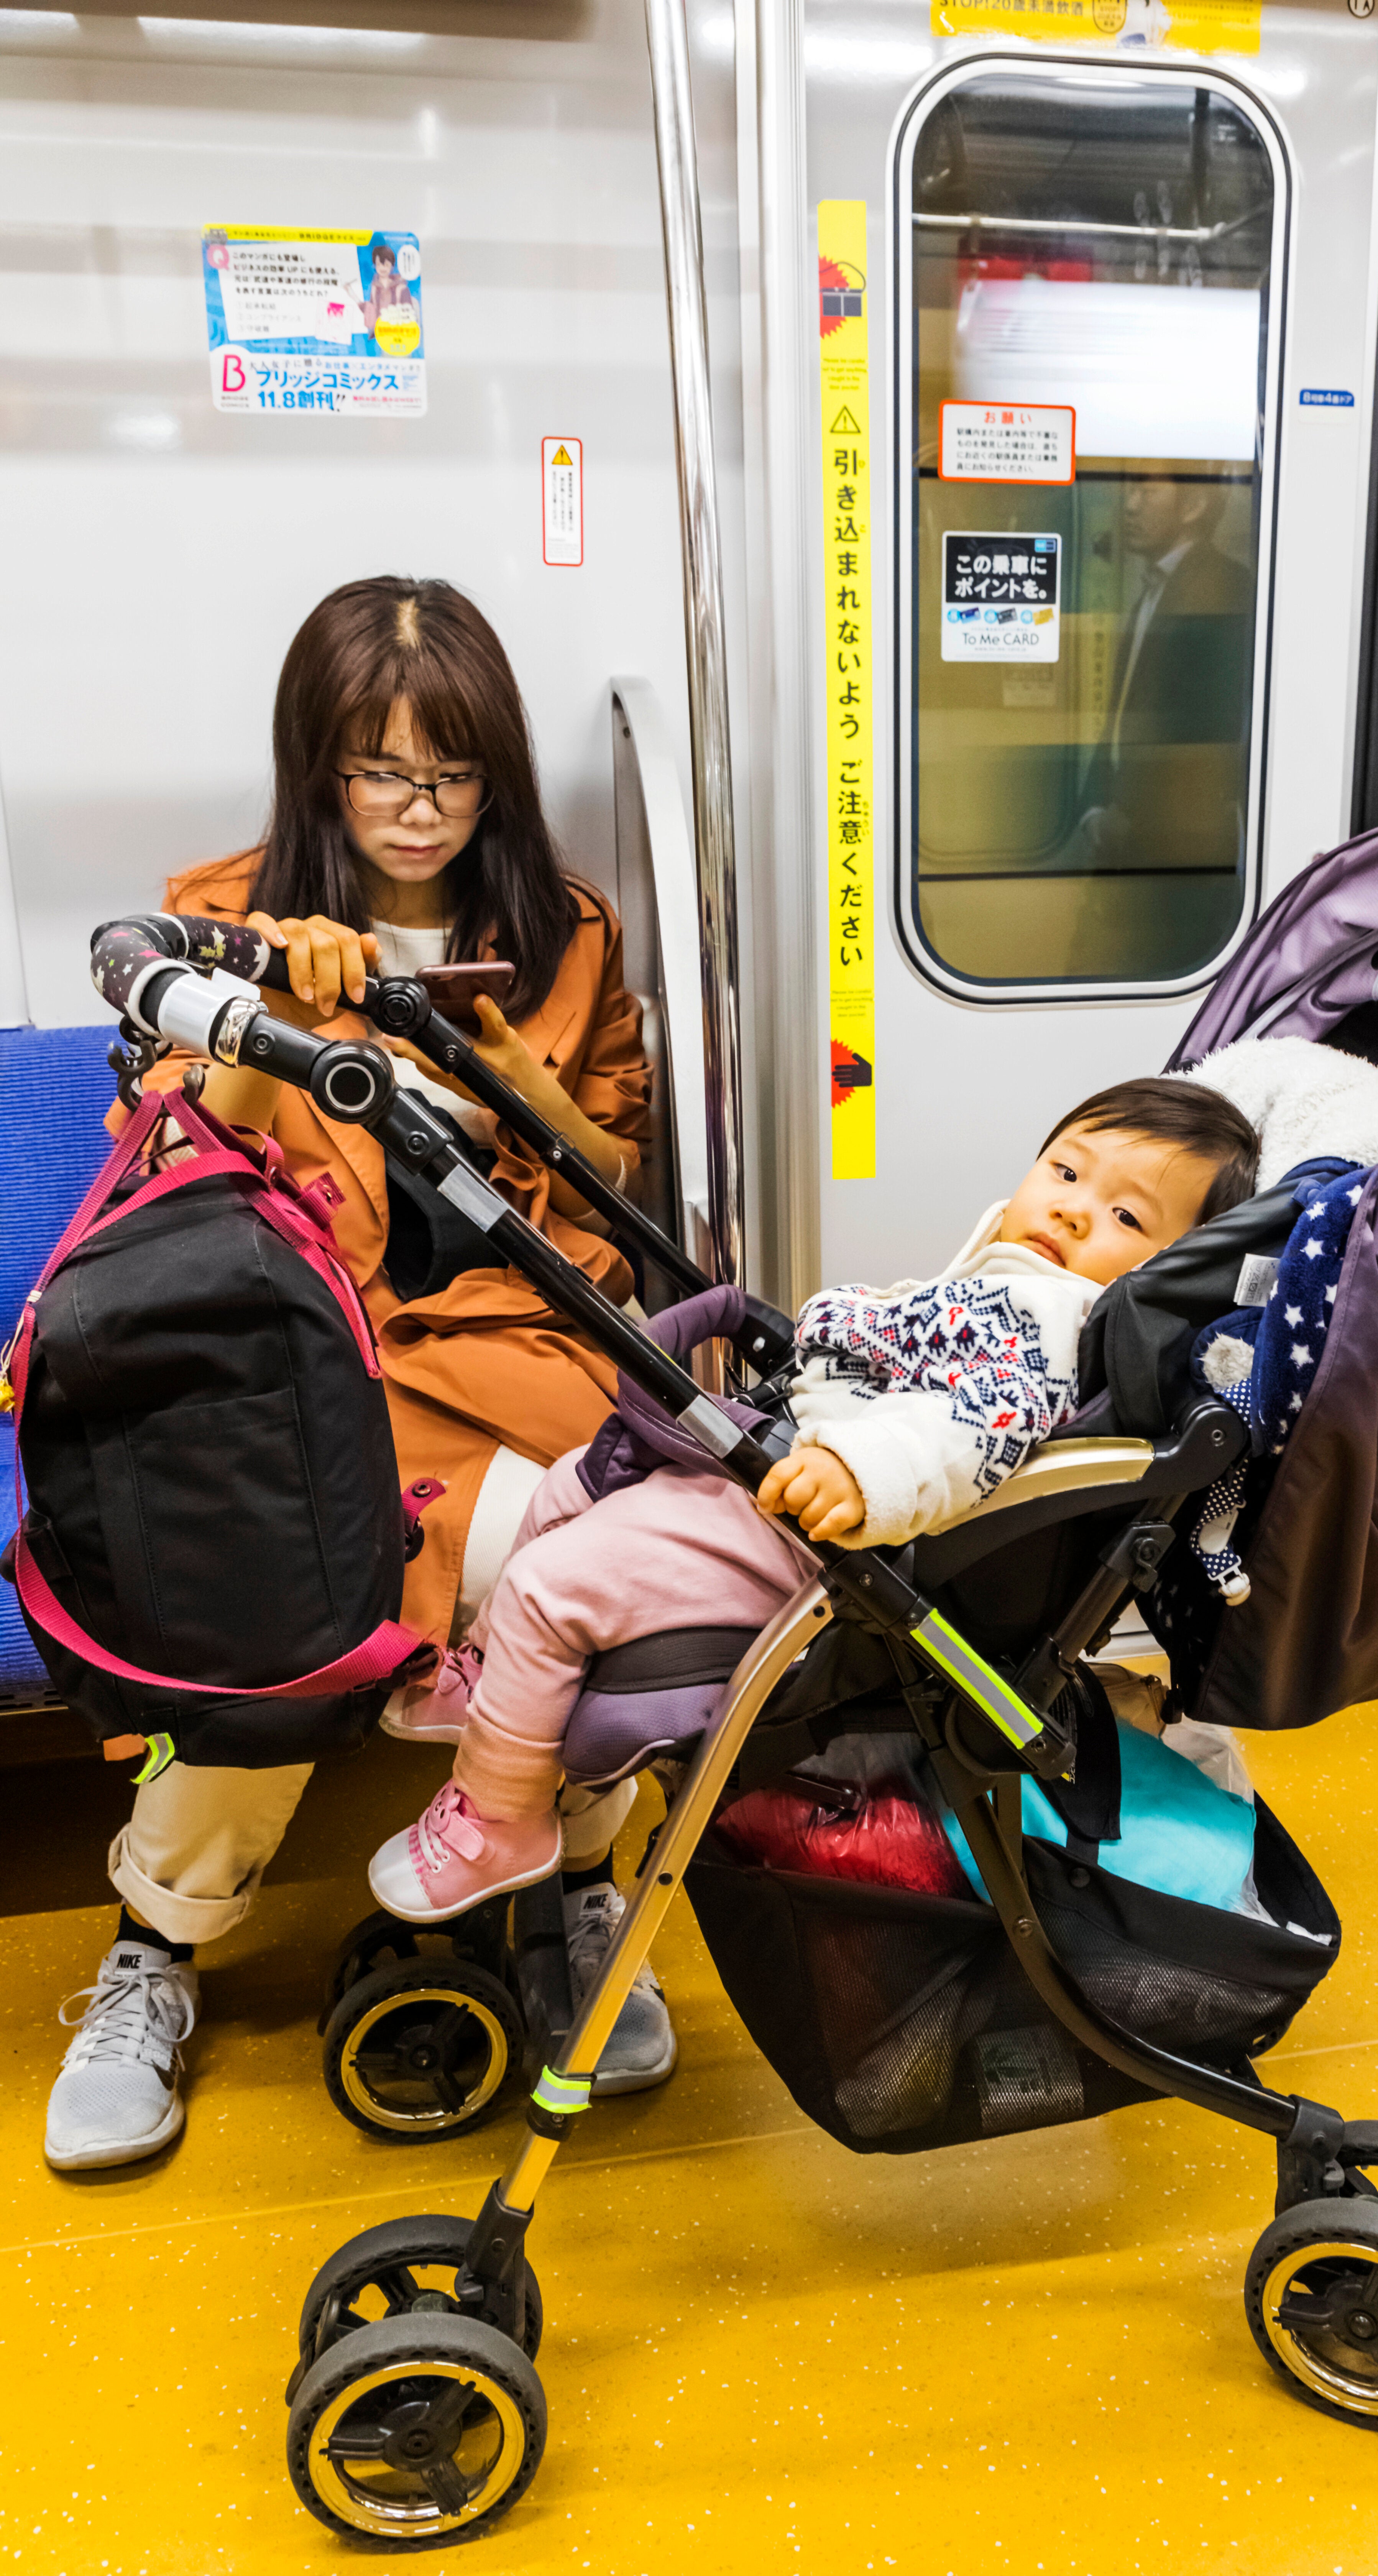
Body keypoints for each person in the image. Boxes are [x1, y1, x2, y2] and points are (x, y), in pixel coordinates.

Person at [46, 576, 668, 2173]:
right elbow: (169, 1172)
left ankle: (576, 1886)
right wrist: (262, 1011)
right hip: (299, 1341)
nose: (420, 810)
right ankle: (158, 1946)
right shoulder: (216, 919)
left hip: (516, 1338)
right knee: (271, 1577)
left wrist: (514, 1079)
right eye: (382, 772)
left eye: (454, 775)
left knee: (599, 1562)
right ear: (318, 766)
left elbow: (613, 1178)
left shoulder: (566, 933)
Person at [361, 1078, 1261, 1922]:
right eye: (1065, 1172)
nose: (1071, 1209)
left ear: (1169, 1266)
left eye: (1125, 1215)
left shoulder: (1049, 1322)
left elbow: (962, 1431)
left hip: (819, 1540)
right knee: (569, 1483)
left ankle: (502, 1819)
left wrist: (859, 1475)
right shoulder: (1008, 1277)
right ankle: (493, 1681)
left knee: (547, 1587)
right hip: (787, 1480)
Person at [1080, 478, 1254, 870]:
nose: (1129, 506)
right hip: (1127, 837)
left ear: (1193, 507)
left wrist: (1136, 819)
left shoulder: (1226, 589)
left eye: (1147, 492)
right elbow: (1121, 719)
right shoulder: (1150, 593)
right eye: (1130, 492)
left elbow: (1210, 728)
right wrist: (1094, 810)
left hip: (1177, 844)